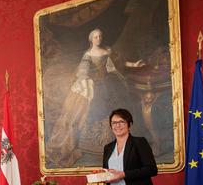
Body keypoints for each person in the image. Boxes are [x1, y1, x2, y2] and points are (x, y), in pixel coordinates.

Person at [47, 28, 144, 168]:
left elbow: (117, 64)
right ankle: (95, 143)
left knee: (119, 107)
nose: (98, 39)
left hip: (109, 83)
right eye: (95, 37)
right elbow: (82, 70)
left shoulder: (107, 51)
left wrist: (134, 65)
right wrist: (85, 78)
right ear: (91, 39)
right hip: (96, 84)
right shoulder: (88, 54)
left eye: (100, 36)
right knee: (93, 108)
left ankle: (120, 142)